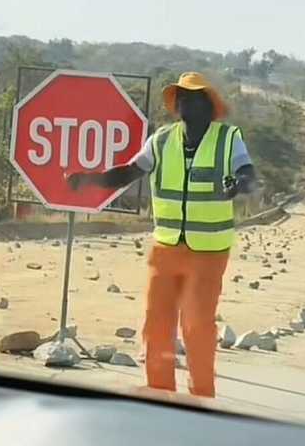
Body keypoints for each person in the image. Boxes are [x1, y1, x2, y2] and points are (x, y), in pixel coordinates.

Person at [67, 72, 256, 398]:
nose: (183, 103)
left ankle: (201, 397)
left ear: (208, 106)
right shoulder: (162, 140)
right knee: (156, 322)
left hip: (208, 251)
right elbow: (128, 171)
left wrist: (237, 185)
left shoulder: (227, 139)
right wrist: (89, 179)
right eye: (179, 97)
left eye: (192, 97)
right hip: (166, 247)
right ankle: (158, 394)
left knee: (197, 325)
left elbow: (248, 174)